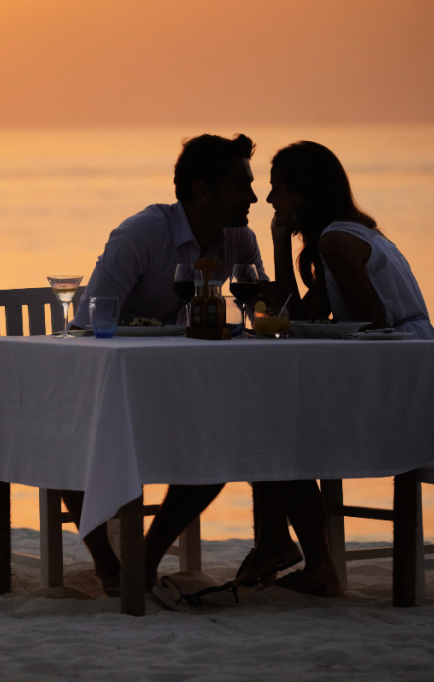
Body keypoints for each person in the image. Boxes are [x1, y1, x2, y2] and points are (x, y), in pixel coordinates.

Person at [63, 132, 271, 594]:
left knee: (220, 443)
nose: (253, 197)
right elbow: (90, 318)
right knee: (65, 435)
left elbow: (261, 316)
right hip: (111, 382)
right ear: (202, 191)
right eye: (241, 186)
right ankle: (109, 566)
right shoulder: (144, 233)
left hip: (174, 386)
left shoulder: (239, 240)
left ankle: (146, 558)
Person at [237, 140, 434, 598]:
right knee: (272, 422)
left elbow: (373, 324)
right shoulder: (344, 234)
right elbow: (295, 316)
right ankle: (277, 545)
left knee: (275, 433)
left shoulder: (336, 241)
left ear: (302, 195)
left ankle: (313, 564)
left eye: (277, 190)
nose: (270, 200)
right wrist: (277, 241)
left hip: (403, 379)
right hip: (411, 368)